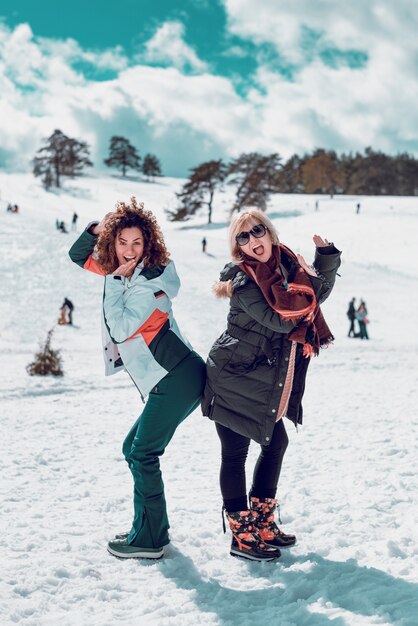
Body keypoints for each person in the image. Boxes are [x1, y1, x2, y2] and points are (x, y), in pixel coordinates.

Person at [69, 197, 205, 559]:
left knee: (142, 453)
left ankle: (148, 540)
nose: (129, 251)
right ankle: (151, 530)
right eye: (122, 242)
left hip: (177, 376)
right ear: (113, 243)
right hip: (173, 376)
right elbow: (77, 255)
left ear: (149, 245)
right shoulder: (124, 269)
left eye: (137, 243)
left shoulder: (146, 279)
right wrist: (98, 230)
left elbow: (121, 326)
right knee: (134, 449)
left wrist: (114, 278)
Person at [202, 208, 341, 561]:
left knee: (275, 443)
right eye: (242, 237)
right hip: (234, 377)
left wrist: (325, 260)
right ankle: (241, 535)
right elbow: (282, 319)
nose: (252, 241)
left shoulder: (289, 267)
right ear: (238, 247)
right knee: (235, 454)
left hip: (260, 378)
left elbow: (311, 298)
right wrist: (313, 281)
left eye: (257, 231)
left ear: (270, 233)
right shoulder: (242, 280)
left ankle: (262, 522)